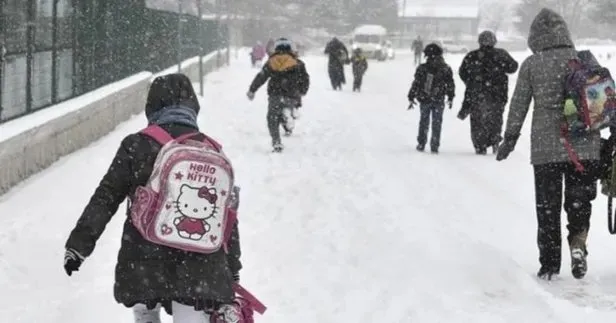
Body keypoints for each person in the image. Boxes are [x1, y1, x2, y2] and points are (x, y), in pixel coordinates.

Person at [63, 73, 243, 322]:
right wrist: (232, 268)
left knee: (145, 311)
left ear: (152, 106)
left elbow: (106, 197)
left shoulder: (136, 145)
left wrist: (79, 245)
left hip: (144, 259)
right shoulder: (212, 150)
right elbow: (227, 216)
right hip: (200, 267)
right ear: (193, 107)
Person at [496, 8, 600, 280]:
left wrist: (509, 138)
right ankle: (578, 244)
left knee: (548, 208)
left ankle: (550, 264)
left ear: (535, 36)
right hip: (586, 147)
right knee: (579, 202)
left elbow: (519, 104)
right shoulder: (583, 60)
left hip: (546, 149)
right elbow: (600, 101)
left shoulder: (532, 64)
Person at [459, 30, 518, 155]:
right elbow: (513, 67)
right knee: (496, 119)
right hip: (498, 94)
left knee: (477, 121)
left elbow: (462, 72)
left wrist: (471, 82)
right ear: (494, 41)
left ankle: (480, 145)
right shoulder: (501, 54)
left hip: (476, 94)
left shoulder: (472, 56)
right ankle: (494, 139)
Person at [247, 38, 310, 152]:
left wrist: (252, 90)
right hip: (292, 95)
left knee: (272, 117)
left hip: (275, 94)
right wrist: (302, 91)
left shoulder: (271, 62)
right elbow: (305, 79)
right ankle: (291, 113)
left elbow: (261, 77)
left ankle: (276, 142)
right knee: (288, 107)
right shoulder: (298, 63)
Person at [407, 43, 455, 154]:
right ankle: (434, 144)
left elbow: (416, 83)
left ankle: (421, 142)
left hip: (425, 98)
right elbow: (450, 84)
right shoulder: (445, 68)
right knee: (437, 122)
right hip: (439, 99)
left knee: (424, 121)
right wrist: (451, 96)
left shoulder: (423, 68)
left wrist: (411, 96)